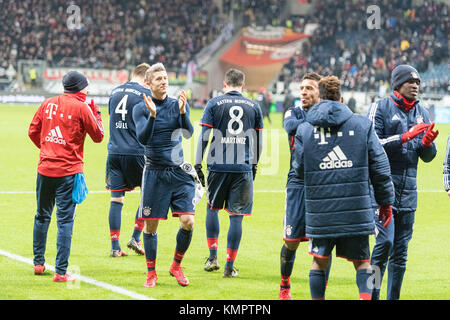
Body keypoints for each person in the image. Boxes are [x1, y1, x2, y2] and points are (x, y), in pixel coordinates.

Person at [293, 76, 395, 300]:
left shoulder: (304, 130)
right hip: (356, 208)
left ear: (319, 97)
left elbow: (298, 169)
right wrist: (386, 202)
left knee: (319, 261)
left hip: (321, 210)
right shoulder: (362, 125)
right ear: (341, 98)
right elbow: (380, 168)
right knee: (364, 263)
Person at [367, 64, 438, 300]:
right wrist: (404, 137)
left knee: (401, 253)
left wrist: (427, 145)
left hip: (409, 193)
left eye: (418, 83)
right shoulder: (380, 107)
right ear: (398, 84)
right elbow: (372, 147)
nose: (416, 86)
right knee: (383, 245)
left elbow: (427, 157)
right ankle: (371, 296)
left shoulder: (423, 112)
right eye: (411, 82)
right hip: (382, 190)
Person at [28, 71, 105, 282]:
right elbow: (99, 136)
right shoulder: (82, 107)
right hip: (68, 172)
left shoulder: (47, 103)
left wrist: (47, 149)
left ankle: (38, 263)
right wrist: (96, 112)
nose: (88, 89)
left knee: (42, 215)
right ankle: (61, 272)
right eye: (86, 86)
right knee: (65, 222)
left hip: (45, 169)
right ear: (80, 87)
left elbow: (32, 131)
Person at [132, 63, 198, 288]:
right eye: (158, 78)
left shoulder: (176, 104)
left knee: (188, 221)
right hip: (154, 173)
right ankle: (151, 273)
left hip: (178, 172)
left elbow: (188, 133)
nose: (164, 81)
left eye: (165, 77)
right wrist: (152, 115)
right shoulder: (141, 107)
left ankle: (176, 266)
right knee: (150, 227)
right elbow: (143, 138)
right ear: (148, 83)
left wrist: (182, 112)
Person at [195, 68, 263, 278]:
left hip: (217, 166)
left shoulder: (214, 103)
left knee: (212, 208)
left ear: (225, 85)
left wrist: (198, 164)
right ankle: (229, 266)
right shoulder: (254, 106)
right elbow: (259, 141)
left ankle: (213, 257)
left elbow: (204, 136)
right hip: (242, 167)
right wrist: (254, 165)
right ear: (242, 86)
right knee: (236, 216)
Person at [279, 72, 333, 300]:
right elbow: (291, 127)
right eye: (302, 88)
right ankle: (284, 286)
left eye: (309, 88)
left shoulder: (328, 113)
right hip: (298, 181)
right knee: (291, 241)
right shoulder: (294, 112)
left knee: (322, 242)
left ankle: (320, 292)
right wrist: (318, 119)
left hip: (322, 182)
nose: (303, 92)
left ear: (319, 92)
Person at [105, 63, 152, 257]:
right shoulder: (144, 94)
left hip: (114, 152)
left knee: (116, 200)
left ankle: (115, 247)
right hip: (137, 152)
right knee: (147, 195)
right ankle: (135, 236)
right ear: (146, 79)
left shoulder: (115, 91)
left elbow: (111, 116)